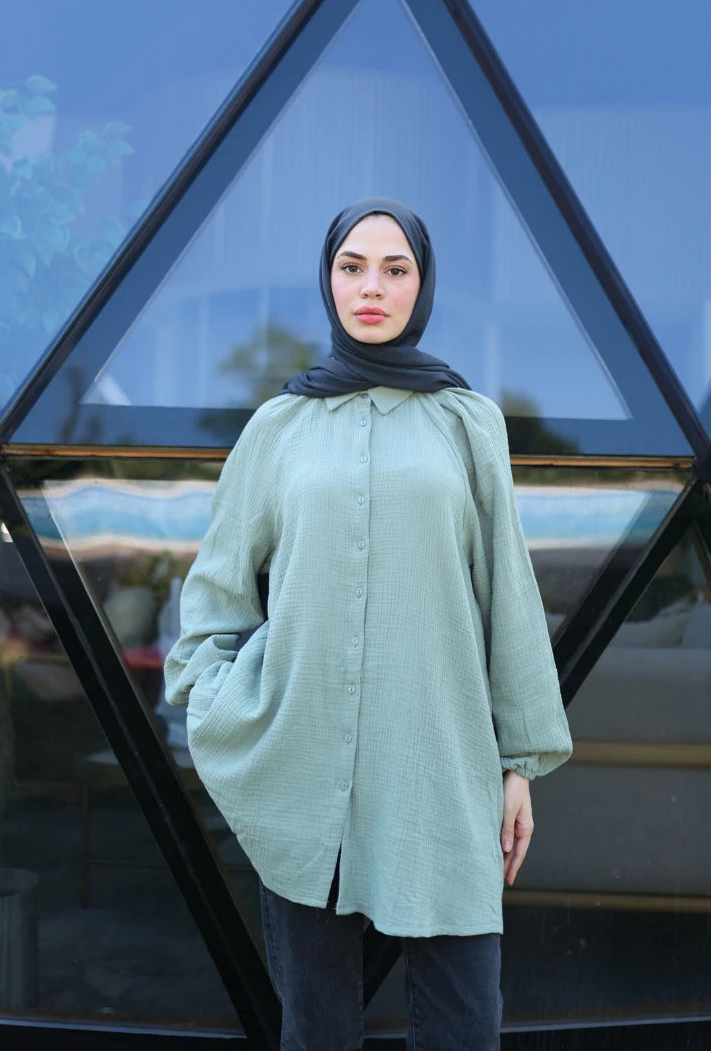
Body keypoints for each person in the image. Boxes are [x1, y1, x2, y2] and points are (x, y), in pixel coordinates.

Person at [164, 197, 572, 1050]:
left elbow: (508, 594)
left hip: (439, 764)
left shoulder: (467, 422)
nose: (372, 287)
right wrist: (219, 701)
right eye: (352, 267)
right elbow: (215, 597)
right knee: (316, 1026)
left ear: (423, 285)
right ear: (328, 280)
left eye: (395, 269)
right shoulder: (279, 427)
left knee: (463, 1020)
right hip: (300, 761)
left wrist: (519, 763)